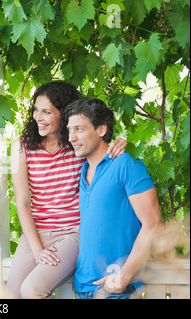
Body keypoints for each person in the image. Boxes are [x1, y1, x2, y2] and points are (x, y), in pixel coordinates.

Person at [6, 81, 127, 299]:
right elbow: (22, 203)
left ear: (64, 115)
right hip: (36, 233)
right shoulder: (20, 146)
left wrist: (118, 143)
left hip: (72, 234)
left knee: (31, 291)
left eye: (46, 112)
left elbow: (102, 149)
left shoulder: (76, 144)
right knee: (10, 296)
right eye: (36, 110)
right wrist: (38, 251)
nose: (37, 117)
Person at [63, 97, 162, 299]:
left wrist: (124, 276)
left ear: (101, 130)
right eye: (69, 130)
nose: (71, 137)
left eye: (79, 129)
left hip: (117, 289)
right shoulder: (82, 171)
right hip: (82, 287)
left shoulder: (126, 163)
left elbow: (153, 224)